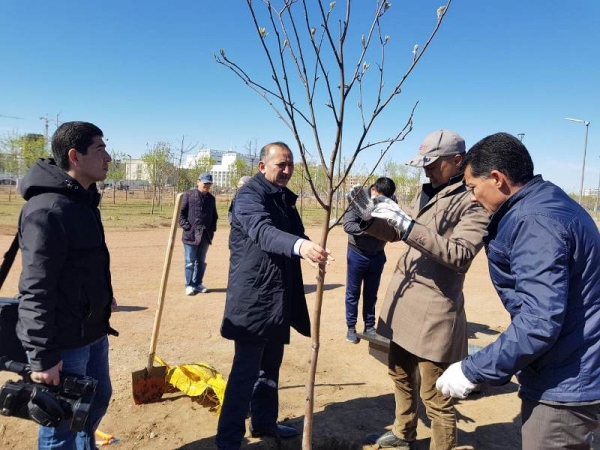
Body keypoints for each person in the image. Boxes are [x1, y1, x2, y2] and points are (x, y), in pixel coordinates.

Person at [436, 132, 600, 449]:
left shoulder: (534, 222)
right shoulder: (548, 202)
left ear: (497, 178)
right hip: (579, 369)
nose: (471, 197)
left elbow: (538, 322)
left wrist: (471, 370)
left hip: (566, 389)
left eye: (472, 187)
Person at [348, 129, 489, 450]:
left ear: (457, 160)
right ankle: (403, 432)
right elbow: (399, 233)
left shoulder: (473, 201)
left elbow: (460, 254)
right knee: (398, 373)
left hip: (434, 313)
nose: (425, 169)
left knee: (436, 397)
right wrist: (369, 219)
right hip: (404, 304)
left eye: (432, 163)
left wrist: (409, 225)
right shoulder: (426, 191)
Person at [216, 141, 332, 450]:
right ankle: (228, 440)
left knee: (270, 367)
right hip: (254, 297)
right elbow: (263, 232)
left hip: (277, 296)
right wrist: (300, 247)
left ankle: (265, 423)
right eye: (281, 164)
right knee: (246, 371)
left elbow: (294, 234)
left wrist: (310, 247)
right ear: (262, 166)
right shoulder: (248, 197)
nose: (287, 170)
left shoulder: (282, 198)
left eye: (290, 164)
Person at [16, 121, 118, 449]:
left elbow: (87, 264)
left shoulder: (84, 202)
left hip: (93, 331)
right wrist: (43, 355)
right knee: (60, 424)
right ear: (75, 156)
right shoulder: (47, 210)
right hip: (64, 340)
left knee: (96, 401)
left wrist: (105, 298)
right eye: (100, 149)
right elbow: (35, 287)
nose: (108, 157)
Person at [343, 177, 396, 344]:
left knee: (371, 293)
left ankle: (369, 326)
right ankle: (351, 327)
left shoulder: (391, 201)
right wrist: (371, 230)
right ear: (374, 190)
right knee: (353, 293)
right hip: (357, 253)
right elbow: (348, 225)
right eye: (380, 198)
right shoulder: (359, 199)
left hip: (378, 255)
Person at [179, 172, 218, 295]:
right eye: (204, 183)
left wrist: (211, 231)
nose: (206, 186)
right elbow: (181, 215)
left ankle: (198, 283)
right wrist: (187, 227)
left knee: (201, 261)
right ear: (198, 182)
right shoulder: (188, 195)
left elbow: (214, 216)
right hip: (190, 235)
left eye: (209, 184)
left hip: (205, 235)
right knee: (190, 262)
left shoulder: (211, 199)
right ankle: (189, 284)